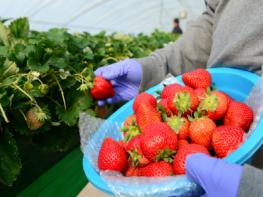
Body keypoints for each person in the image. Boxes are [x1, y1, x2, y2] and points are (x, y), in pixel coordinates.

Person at [94, 0, 263, 196]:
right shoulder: (197, 117)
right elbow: (212, 23)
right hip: (225, 102)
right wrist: (153, 68)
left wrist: (254, 188)